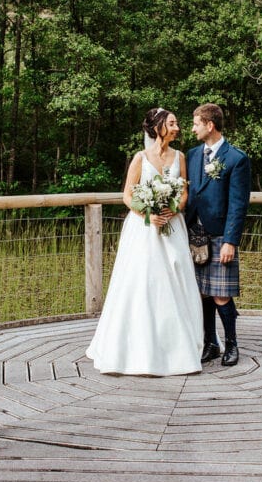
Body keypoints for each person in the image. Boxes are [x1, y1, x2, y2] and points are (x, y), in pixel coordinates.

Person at [85, 108, 204, 375]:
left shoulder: (180, 157)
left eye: (177, 123)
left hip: (173, 226)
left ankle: (179, 347)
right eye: (172, 123)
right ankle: (135, 347)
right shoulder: (140, 158)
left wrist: (173, 209)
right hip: (144, 230)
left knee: (175, 280)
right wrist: (148, 213)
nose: (177, 128)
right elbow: (127, 195)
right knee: (142, 283)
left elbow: (184, 192)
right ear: (158, 126)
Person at [185, 103, 251, 366]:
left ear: (210, 125)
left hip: (219, 235)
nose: (192, 128)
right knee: (202, 292)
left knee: (221, 294)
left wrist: (230, 241)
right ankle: (211, 342)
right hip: (193, 234)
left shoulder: (236, 159)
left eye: (196, 123)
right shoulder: (190, 155)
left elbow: (238, 204)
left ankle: (232, 345)